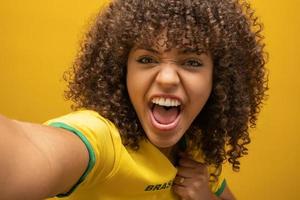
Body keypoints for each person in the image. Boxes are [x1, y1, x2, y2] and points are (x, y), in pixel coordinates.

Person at [0, 0, 267, 199]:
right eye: (147, 59)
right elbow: (33, 152)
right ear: (122, 71)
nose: (167, 79)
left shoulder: (197, 149)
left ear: (217, 79)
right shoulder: (104, 143)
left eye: (192, 62)